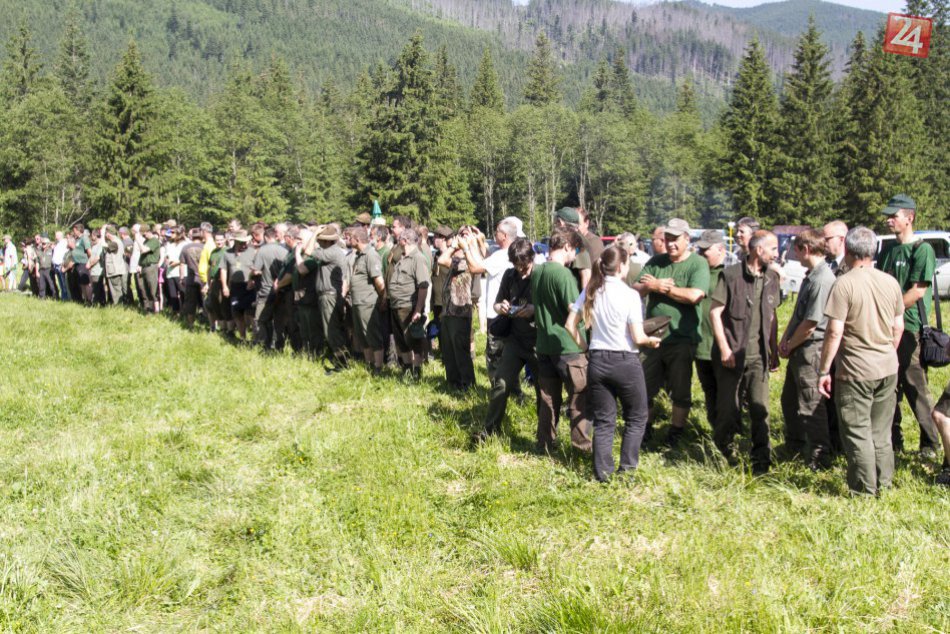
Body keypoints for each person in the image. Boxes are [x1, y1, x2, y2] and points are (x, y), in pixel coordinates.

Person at [817, 227, 904, 496]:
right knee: (881, 431)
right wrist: (887, 352)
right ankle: (885, 486)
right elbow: (898, 326)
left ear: (847, 250)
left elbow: (834, 331)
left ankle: (864, 491)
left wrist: (823, 370)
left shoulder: (844, 284)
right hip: (888, 367)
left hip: (856, 371)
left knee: (857, 432)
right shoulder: (890, 282)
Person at [566, 247, 662, 481]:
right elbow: (638, 337)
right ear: (620, 267)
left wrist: (585, 347)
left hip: (598, 360)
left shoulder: (591, 291)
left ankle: (603, 474)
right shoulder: (630, 294)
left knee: (604, 420)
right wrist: (651, 341)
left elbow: (570, 324)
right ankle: (627, 471)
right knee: (637, 417)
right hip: (625, 360)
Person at [877, 194, 942, 461]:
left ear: (910, 218)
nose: (889, 220)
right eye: (888, 216)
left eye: (894, 216)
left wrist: (889, 312)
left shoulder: (922, 249)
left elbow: (917, 291)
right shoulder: (888, 249)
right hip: (884, 327)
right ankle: (893, 440)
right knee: (888, 386)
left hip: (910, 328)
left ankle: (931, 443)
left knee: (915, 387)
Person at [709, 230, 781, 474]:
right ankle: (723, 454)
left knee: (761, 409)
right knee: (728, 409)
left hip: (758, 357)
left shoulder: (772, 278)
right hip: (731, 355)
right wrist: (724, 348)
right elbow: (714, 313)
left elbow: (772, 317)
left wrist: (773, 349)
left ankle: (762, 460)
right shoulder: (730, 276)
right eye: (773, 248)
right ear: (759, 250)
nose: (777, 253)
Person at [634, 218, 709, 445]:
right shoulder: (656, 261)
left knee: (680, 389)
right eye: (666, 240)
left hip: (681, 338)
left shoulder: (697, 264)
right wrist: (650, 286)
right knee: (644, 386)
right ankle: (644, 430)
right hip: (652, 337)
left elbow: (695, 295)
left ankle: (675, 433)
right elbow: (636, 288)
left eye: (675, 240)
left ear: (687, 239)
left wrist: (664, 288)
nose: (670, 244)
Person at [778, 229, 835, 470]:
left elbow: (811, 324)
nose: (794, 254)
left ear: (806, 249)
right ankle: (795, 444)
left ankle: (819, 457)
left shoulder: (822, 280)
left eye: (796, 250)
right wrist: (785, 338)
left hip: (811, 349)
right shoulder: (811, 275)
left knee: (811, 403)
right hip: (800, 348)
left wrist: (791, 344)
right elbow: (798, 315)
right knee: (790, 400)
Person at [532, 227, 593, 453]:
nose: (574, 256)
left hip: (544, 345)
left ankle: (545, 444)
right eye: (574, 250)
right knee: (579, 399)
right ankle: (582, 447)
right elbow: (573, 310)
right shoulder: (563, 274)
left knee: (548, 399)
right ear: (567, 246)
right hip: (569, 347)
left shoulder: (537, 271)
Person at [480, 238, 538, 440]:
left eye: (524, 267)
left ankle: (545, 437)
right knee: (501, 384)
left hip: (537, 343)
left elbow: (553, 309)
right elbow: (496, 305)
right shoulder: (509, 275)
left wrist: (534, 310)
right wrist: (502, 308)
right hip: (515, 340)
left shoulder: (541, 276)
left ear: (532, 258)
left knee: (543, 391)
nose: (521, 271)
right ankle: (489, 431)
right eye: (517, 267)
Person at [436, 226, 481, 391]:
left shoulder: (468, 259)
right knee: (448, 349)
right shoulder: (456, 258)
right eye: (459, 234)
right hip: (449, 310)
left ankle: (467, 384)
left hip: (460, 311)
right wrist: (454, 246)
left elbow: (442, 260)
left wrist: (457, 246)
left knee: (460, 350)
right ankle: (453, 382)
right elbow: (442, 261)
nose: (460, 238)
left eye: (464, 235)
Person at [302, 224, 349, 371]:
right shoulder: (331, 251)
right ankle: (341, 362)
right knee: (332, 330)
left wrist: (315, 232)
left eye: (320, 239)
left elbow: (307, 250)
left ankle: (343, 364)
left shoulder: (331, 252)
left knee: (332, 331)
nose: (318, 242)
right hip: (329, 295)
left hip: (329, 296)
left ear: (327, 241)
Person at [693, 230, 727, 429]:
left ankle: (727, 431)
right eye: (700, 248)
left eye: (706, 249)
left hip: (720, 344)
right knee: (709, 390)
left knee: (725, 392)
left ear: (721, 249)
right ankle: (715, 429)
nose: (702, 253)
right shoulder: (700, 271)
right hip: (700, 342)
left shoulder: (728, 274)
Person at [386, 227, 429, 380]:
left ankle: (417, 371)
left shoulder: (418, 258)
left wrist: (418, 309)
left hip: (408, 306)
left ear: (405, 240)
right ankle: (407, 369)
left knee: (413, 339)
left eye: (400, 239)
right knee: (400, 341)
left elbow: (423, 285)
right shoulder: (403, 258)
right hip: (396, 305)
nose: (398, 241)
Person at [347, 227, 386, 373]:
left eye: (350, 237)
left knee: (372, 334)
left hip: (368, 302)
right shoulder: (359, 255)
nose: (348, 240)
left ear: (357, 239)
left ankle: (378, 367)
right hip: (357, 302)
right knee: (362, 336)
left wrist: (383, 299)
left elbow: (379, 281)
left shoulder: (370, 254)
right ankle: (369, 364)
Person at [251, 227, 290, 349]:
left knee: (261, 319)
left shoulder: (262, 250)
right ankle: (278, 346)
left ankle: (263, 344)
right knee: (279, 321)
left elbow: (256, 269)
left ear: (266, 237)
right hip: (282, 290)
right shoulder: (285, 251)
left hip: (266, 291)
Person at [555, 206, 602, 289]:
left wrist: (583, 301)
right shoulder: (574, 239)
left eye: (557, 222)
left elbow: (586, 276)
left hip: (576, 297)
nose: (555, 226)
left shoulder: (578, 242)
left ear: (561, 223)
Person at [224, 230, 257, 341]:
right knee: (236, 312)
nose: (244, 245)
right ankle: (242, 338)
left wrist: (253, 281)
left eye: (245, 242)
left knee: (251, 313)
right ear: (236, 241)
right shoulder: (227, 253)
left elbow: (257, 269)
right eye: (241, 242)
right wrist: (225, 286)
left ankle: (255, 339)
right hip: (235, 286)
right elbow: (224, 270)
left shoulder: (252, 252)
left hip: (249, 287)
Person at [102, 225, 129, 305]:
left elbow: (103, 244)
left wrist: (102, 233)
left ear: (108, 234)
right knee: (116, 290)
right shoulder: (117, 241)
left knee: (116, 290)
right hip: (116, 270)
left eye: (106, 233)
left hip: (114, 270)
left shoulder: (115, 243)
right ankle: (118, 305)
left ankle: (118, 306)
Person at [138, 224, 162, 313]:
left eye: (143, 234)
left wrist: (137, 239)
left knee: (152, 289)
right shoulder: (146, 241)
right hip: (144, 267)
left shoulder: (154, 241)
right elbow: (142, 255)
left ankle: (156, 309)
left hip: (151, 266)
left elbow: (144, 250)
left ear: (148, 232)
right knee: (144, 289)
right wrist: (139, 265)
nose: (143, 236)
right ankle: (148, 308)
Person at [68, 224, 92, 305]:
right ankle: (84, 300)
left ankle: (89, 301)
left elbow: (89, 251)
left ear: (78, 230)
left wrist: (89, 262)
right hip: (77, 264)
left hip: (83, 263)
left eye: (74, 230)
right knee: (81, 284)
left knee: (85, 284)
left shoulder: (84, 238)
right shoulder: (78, 239)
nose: (73, 232)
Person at [51, 231, 69, 300]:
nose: (55, 237)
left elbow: (65, 254)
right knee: (60, 283)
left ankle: (66, 298)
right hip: (56, 265)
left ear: (60, 235)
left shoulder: (64, 242)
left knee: (64, 283)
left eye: (56, 235)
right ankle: (63, 297)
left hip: (61, 265)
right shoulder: (57, 244)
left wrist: (63, 264)